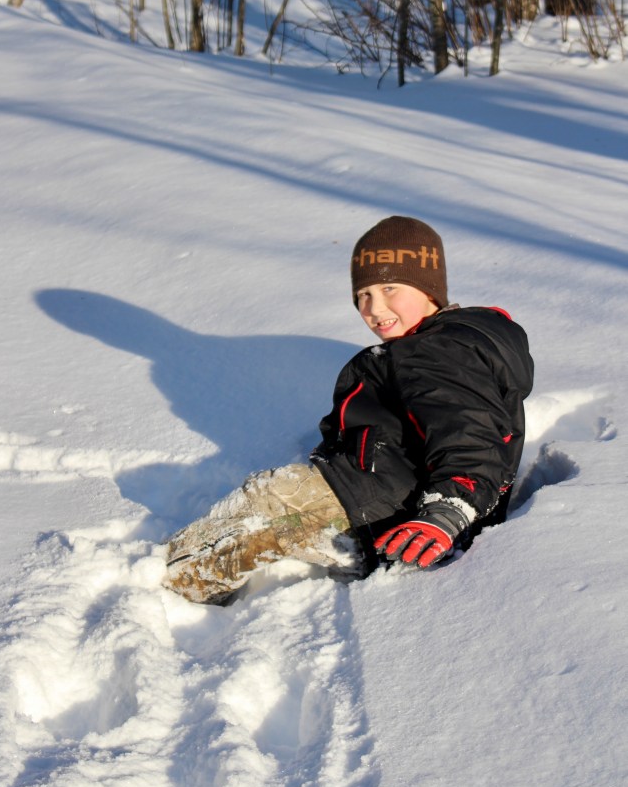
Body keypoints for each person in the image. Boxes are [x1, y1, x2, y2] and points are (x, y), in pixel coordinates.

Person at [165, 216, 534, 603]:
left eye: (390, 288)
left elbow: (468, 433)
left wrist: (448, 511)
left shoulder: (436, 352)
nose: (374, 308)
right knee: (272, 508)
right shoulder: (446, 346)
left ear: (430, 289)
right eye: (363, 295)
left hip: (384, 505)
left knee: (265, 504)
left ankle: (171, 588)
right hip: (383, 507)